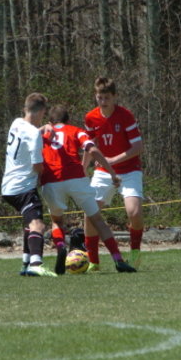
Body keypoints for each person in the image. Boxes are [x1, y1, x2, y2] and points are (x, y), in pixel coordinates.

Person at [40, 105, 136, 274]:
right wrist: (112, 173)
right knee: (97, 220)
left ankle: (61, 246)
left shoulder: (42, 134)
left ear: (50, 121)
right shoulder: (76, 131)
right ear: (68, 120)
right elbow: (92, 149)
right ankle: (118, 260)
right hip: (77, 179)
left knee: (57, 221)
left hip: (51, 180)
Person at [83, 77, 144, 271]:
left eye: (107, 98)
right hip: (103, 171)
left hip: (129, 170)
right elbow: (89, 147)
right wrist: (83, 169)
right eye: (99, 97)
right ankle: (93, 261)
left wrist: (113, 161)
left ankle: (135, 251)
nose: (103, 101)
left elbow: (138, 147)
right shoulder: (91, 118)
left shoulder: (126, 116)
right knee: (90, 213)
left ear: (115, 97)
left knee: (134, 213)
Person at [1, 93, 57, 277]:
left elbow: (27, 135)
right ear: (41, 112)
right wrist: (46, 173)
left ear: (26, 109)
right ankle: (36, 264)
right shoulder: (34, 135)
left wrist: (42, 129)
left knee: (29, 222)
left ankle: (26, 264)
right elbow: (37, 166)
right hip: (23, 187)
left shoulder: (16, 123)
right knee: (37, 224)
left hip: (8, 186)